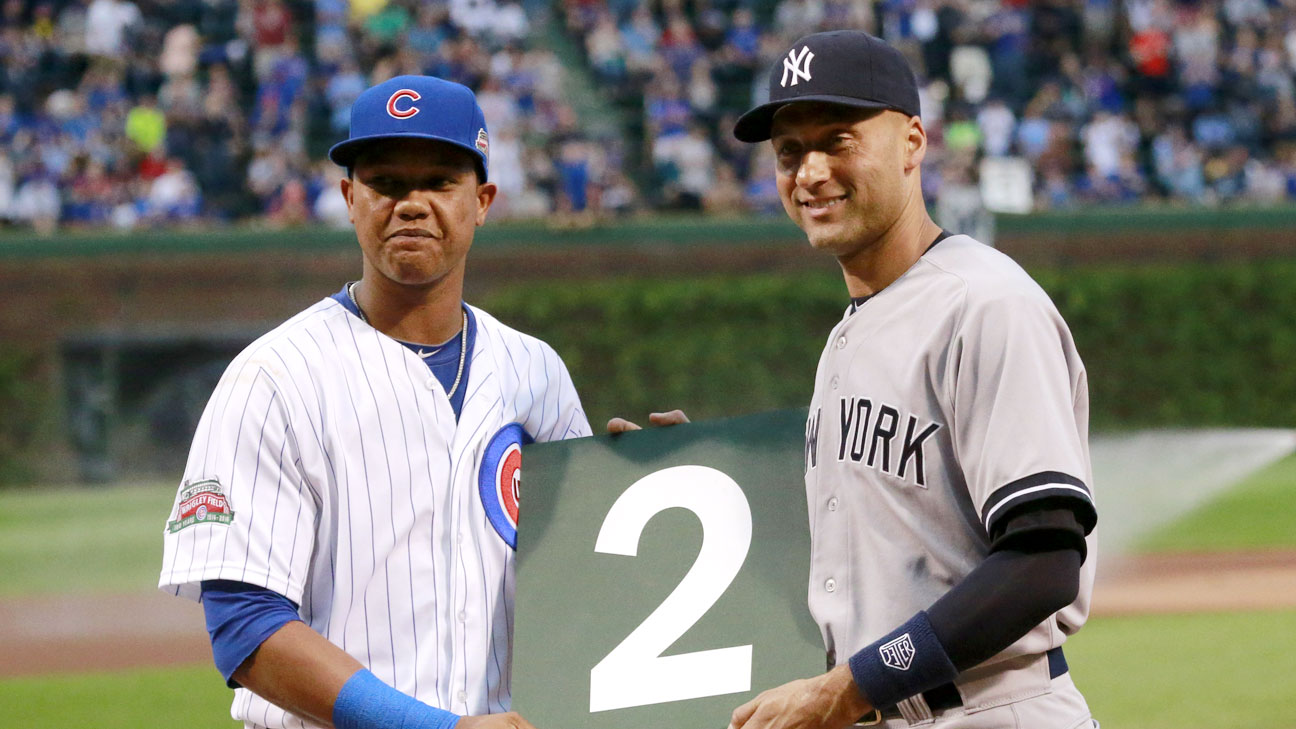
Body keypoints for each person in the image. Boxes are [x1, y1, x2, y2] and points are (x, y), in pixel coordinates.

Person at [159, 75, 591, 729]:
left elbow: (587, 585)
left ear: (483, 200)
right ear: (349, 199)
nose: (411, 204)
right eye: (386, 182)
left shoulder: (538, 374)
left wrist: (649, 475)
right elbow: (245, 625)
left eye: (440, 181)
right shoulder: (276, 377)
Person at [724, 31, 1098, 729]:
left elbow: (1044, 558)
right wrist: (677, 471)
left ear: (913, 142)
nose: (809, 172)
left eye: (838, 139)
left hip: (991, 708)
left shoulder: (985, 303)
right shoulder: (853, 329)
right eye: (789, 152)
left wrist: (850, 687)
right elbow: (863, 540)